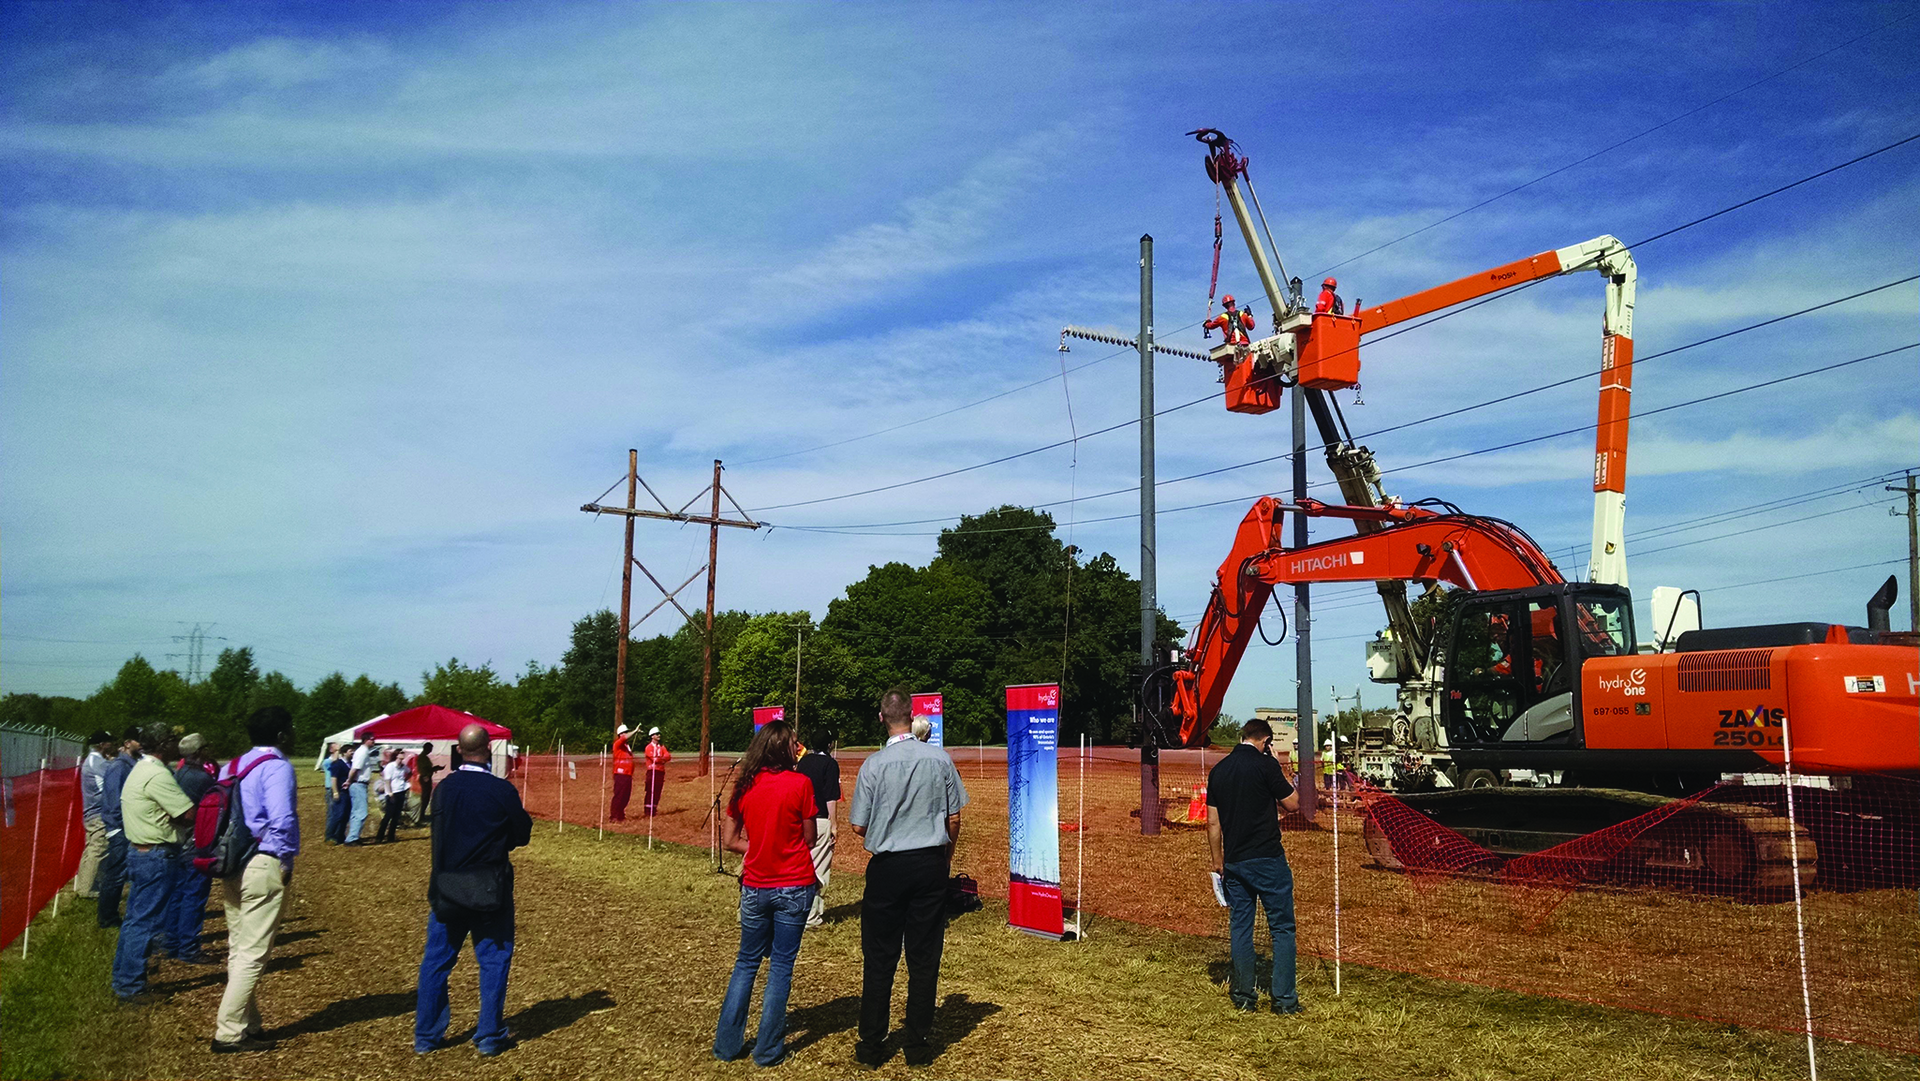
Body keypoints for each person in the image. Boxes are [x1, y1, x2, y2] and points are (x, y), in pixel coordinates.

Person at [849, 687, 970, 1068]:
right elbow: (954, 819)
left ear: (882, 718)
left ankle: (871, 1044)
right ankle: (916, 1044)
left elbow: (857, 825)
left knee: (879, 957)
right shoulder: (940, 760)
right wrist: (944, 858)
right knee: (924, 956)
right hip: (929, 864)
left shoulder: (872, 765)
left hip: (887, 867)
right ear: (915, 715)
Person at [415, 723, 533, 1058]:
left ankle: (426, 1036)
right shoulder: (501, 790)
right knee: (494, 960)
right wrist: (501, 840)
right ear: (490, 748)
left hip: (446, 886)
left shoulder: (444, 790)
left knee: (436, 961)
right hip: (489, 889)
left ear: (458, 749)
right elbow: (521, 834)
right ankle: (489, 1036)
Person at [713, 719, 818, 1067]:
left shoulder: (744, 787)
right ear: (782, 748)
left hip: (756, 885)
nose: (796, 748)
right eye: (793, 743)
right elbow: (810, 838)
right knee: (781, 967)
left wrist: (756, 846)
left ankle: (727, 1045)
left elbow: (729, 841)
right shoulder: (800, 784)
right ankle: (768, 1050)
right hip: (793, 884)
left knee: (746, 962)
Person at [211, 706, 301, 1054]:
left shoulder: (231, 766)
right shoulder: (277, 768)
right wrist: (285, 858)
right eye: (290, 730)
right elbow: (281, 819)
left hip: (231, 861)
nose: (293, 735)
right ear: (280, 736)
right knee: (253, 953)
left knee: (239, 946)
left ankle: (249, 1024)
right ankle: (228, 1032)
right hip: (263, 861)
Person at [1205, 715, 1303, 1015]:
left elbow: (1212, 822)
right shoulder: (1266, 765)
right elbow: (1293, 804)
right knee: (1282, 929)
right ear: (1265, 742)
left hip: (1235, 861)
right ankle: (1284, 1000)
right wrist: (1280, 767)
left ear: (1241, 737)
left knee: (1241, 928)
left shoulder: (1219, 771)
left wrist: (1218, 860)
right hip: (1268, 858)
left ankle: (1244, 996)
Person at [112, 725, 196, 1001]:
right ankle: (131, 986)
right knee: (146, 922)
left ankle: (124, 978)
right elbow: (187, 813)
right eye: (173, 740)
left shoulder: (141, 768)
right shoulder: (157, 774)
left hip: (140, 851)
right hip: (157, 854)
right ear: (162, 743)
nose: (177, 744)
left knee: (135, 920)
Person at [166, 734, 219, 964]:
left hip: (178, 842)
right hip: (195, 843)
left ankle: (171, 942)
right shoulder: (201, 778)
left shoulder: (179, 774)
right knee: (194, 896)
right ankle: (188, 947)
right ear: (198, 752)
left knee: (177, 893)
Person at [794, 729, 842, 929]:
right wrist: (834, 824)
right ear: (829, 744)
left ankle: (796, 910)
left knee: (801, 865)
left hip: (801, 819)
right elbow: (831, 796)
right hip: (820, 819)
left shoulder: (803, 762)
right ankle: (811, 916)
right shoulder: (830, 764)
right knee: (818, 868)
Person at [95, 728, 141, 928]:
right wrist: (121, 828)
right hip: (120, 829)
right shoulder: (119, 767)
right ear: (129, 742)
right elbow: (114, 802)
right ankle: (107, 917)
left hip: (127, 827)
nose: (143, 743)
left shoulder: (132, 765)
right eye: (139, 740)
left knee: (121, 873)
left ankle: (111, 914)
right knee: (116, 875)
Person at [76, 730, 117, 899]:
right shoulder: (98, 762)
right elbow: (110, 781)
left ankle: (84, 885)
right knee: (98, 849)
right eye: (109, 742)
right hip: (98, 812)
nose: (112, 745)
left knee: (91, 848)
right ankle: (87, 890)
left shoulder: (92, 760)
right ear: (102, 744)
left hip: (91, 812)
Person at [345, 736, 376, 845]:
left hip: (359, 784)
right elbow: (355, 768)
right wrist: (349, 780)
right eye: (371, 739)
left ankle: (352, 836)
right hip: (359, 783)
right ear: (365, 740)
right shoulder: (362, 752)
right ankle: (352, 838)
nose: (373, 740)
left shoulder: (363, 751)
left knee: (356, 811)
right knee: (361, 812)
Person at [378, 749, 409, 843]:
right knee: (388, 815)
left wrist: (405, 781)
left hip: (401, 791)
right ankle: (380, 836)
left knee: (396, 816)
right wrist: (390, 793)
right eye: (401, 753)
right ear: (396, 755)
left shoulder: (403, 767)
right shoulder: (390, 766)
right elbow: (387, 780)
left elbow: (410, 772)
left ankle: (391, 836)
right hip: (392, 792)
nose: (403, 755)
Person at [325, 745, 351, 844]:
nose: (352, 753)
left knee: (345, 815)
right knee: (338, 814)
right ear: (344, 753)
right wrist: (335, 792)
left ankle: (340, 835)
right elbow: (334, 779)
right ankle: (330, 836)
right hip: (340, 792)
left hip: (348, 792)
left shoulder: (351, 764)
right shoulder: (337, 764)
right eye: (350, 751)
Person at [643, 727, 671, 817]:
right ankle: (648, 810)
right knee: (650, 790)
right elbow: (654, 758)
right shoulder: (649, 747)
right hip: (652, 771)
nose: (659, 735)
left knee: (658, 791)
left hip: (660, 771)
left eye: (659, 734)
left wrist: (661, 759)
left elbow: (668, 756)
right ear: (652, 736)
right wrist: (662, 759)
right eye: (657, 734)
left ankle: (654, 809)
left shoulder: (661, 747)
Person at [411, 743, 441, 826]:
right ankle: (420, 816)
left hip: (427, 777)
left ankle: (422, 815)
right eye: (430, 748)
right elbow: (422, 769)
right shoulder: (422, 758)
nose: (431, 750)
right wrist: (425, 776)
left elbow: (428, 768)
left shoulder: (425, 757)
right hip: (425, 778)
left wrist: (435, 768)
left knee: (426, 797)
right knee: (424, 797)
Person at [609, 724, 634, 822]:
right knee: (619, 795)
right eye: (624, 732)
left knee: (626, 796)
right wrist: (635, 730)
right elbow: (623, 738)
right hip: (620, 774)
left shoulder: (626, 746)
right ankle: (614, 815)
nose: (626, 734)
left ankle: (620, 813)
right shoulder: (617, 744)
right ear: (620, 734)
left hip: (627, 774)